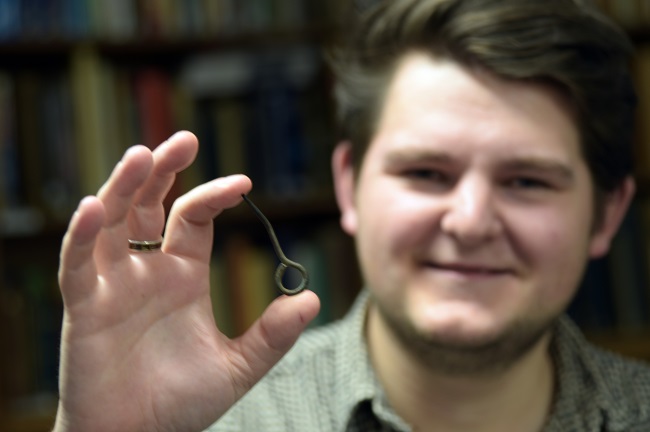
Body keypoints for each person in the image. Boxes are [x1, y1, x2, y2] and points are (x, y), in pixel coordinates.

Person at [53, 0, 650, 431]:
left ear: (606, 215)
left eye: (526, 181)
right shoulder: (217, 422)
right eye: (425, 174)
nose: (470, 222)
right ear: (349, 186)